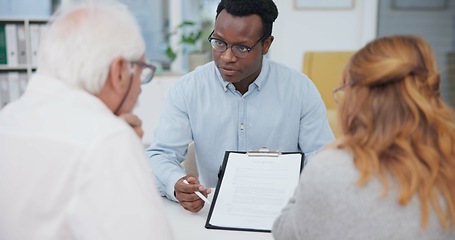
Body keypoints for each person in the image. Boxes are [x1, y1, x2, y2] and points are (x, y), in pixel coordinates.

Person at [0, 1, 173, 240]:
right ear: (120, 71)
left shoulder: (8, 117)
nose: (141, 90)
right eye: (142, 70)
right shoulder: (107, 140)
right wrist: (124, 149)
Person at [146, 0, 334, 213]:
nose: (227, 57)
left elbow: (323, 160)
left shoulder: (300, 90)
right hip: (213, 210)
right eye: (219, 42)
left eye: (242, 48)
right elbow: (160, 154)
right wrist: (175, 183)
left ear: (266, 45)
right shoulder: (188, 89)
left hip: (283, 213)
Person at [272, 35, 455, 240]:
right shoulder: (448, 164)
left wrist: (326, 156)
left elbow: (285, 233)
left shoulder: (331, 168)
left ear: (357, 98)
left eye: (343, 90)